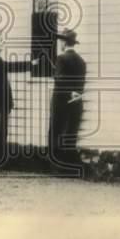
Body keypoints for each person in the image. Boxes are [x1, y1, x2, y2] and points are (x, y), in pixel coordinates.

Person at [0, 32, 38, 165]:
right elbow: (10, 67)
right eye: (0, 40)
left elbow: (7, 68)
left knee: (0, 133)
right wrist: (30, 64)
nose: (3, 42)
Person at [47, 28, 86, 171]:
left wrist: (54, 74)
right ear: (73, 43)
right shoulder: (81, 61)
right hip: (76, 102)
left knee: (55, 131)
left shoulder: (61, 58)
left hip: (61, 101)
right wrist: (75, 93)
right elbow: (81, 84)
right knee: (71, 133)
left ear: (64, 42)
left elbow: (60, 80)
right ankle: (69, 167)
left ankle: (55, 167)